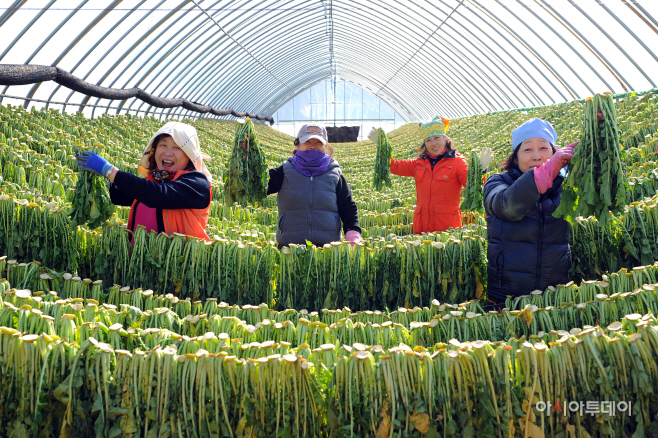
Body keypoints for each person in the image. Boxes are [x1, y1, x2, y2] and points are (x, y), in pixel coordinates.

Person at [484, 118, 577, 307]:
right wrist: (546, 172)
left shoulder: (565, 186)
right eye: (527, 149)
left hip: (555, 294)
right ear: (515, 157)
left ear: (554, 152)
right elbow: (506, 206)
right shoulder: (498, 183)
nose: (536, 156)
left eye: (544, 148)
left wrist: (601, 129)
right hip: (508, 297)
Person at [75, 122, 213, 242]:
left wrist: (108, 170)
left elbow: (158, 196)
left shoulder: (198, 183)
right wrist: (95, 176)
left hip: (178, 266)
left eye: (177, 147)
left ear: (189, 155)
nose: (168, 152)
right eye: (163, 145)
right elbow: (119, 195)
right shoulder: (154, 180)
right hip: (140, 263)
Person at [267, 124, 361, 248]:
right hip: (289, 251)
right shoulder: (284, 171)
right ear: (298, 144)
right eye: (307, 141)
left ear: (325, 146)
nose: (313, 145)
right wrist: (247, 157)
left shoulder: (334, 173)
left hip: (327, 251)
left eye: (318, 142)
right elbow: (258, 186)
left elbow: (348, 207)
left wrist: (353, 234)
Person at [389, 116, 469, 234]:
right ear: (424, 144)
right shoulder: (419, 163)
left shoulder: (457, 162)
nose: (433, 143)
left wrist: (480, 170)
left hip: (447, 229)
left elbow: (472, 185)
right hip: (421, 227)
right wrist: (382, 146)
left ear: (445, 138)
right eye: (428, 140)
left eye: (436, 138)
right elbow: (394, 166)